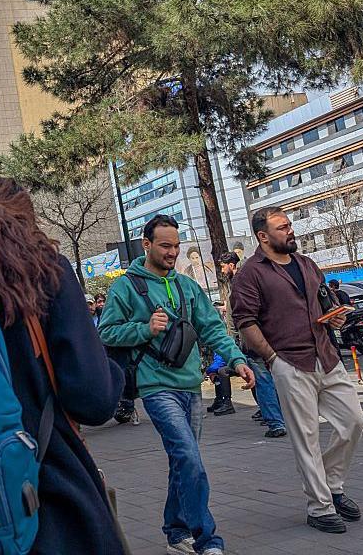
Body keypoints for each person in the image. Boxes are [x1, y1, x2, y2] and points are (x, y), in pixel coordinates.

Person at [0, 177, 124, 554]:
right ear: (25, 222)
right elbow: (92, 399)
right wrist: (116, 371)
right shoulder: (46, 271)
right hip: (42, 491)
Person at [100, 214, 255, 555]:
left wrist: (237, 360)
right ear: (147, 245)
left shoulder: (187, 286)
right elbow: (105, 333)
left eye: (176, 246)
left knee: (183, 461)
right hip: (155, 387)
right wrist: (144, 328)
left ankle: (174, 532)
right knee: (188, 456)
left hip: (190, 386)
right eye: (165, 246)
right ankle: (207, 539)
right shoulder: (126, 286)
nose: (173, 253)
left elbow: (212, 327)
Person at [232, 206, 363, 534]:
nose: (290, 231)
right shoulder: (251, 273)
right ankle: (319, 507)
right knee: (306, 437)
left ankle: (332, 486)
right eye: (282, 227)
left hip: (326, 357)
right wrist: (272, 357)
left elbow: (326, 303)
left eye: (289, 225)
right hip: (289, 361)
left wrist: (335, 316)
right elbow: (245, 321)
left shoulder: (307, 264)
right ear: (263, 236)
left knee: (354, 422)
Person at [217, 252, 286, 438]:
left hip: (252, 341)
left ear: (231, 265)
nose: (222, 270)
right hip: (269, 338)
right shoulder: (258, 281)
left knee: (263, 382)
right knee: (274, 379)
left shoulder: (238, 284)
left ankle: (276, 422)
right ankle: (282, 418)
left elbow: (235, 320)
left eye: (223, 266)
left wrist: (235, 343)